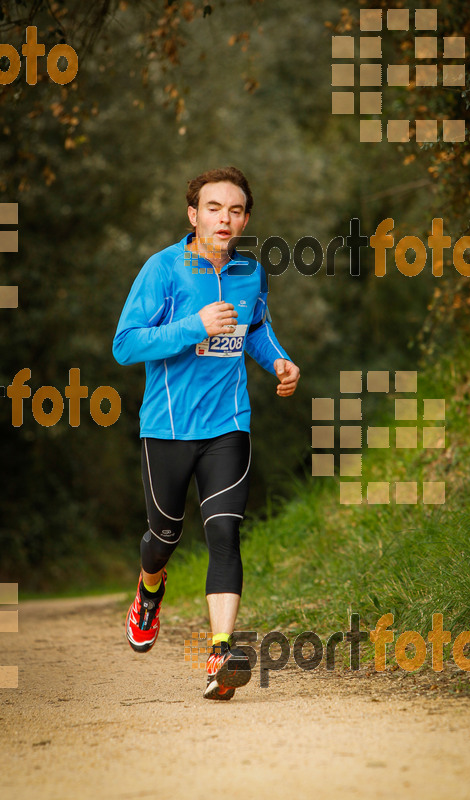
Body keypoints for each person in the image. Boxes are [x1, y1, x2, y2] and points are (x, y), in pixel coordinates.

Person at [112, 166, 300, 700]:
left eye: (236, 210)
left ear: (245, 219)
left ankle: (222, 652)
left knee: (224, 532)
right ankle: (150, 590)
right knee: (164, 536)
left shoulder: (250, 272)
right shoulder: (163, 270)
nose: (226, 218)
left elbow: (257, 329)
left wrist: (281, 363)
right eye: (214, 208)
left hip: (228, 424)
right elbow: (125, 345)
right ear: (193, 215)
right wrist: (195, 325)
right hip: (168, 427)